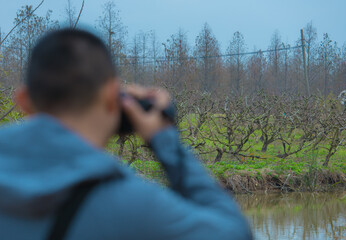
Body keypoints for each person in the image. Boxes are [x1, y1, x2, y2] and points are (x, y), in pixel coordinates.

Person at [0, 29, 252, 240]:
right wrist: (163, 138)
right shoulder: (133, 205)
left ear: (24, 101)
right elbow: (235, 233)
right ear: (113, 96)